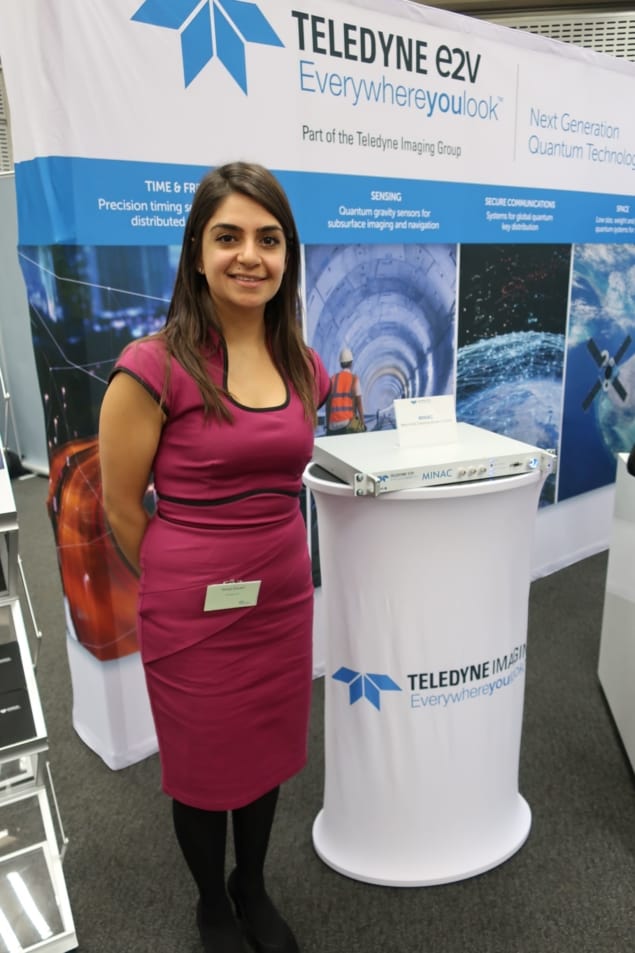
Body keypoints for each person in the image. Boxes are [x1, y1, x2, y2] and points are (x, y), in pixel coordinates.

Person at [99, 161, 330, 953]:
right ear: (196, 250)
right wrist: (182, 579)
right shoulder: (153, 366)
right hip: (191, 616)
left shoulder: (303, 362)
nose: (249, 256)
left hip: (281, 601)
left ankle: (252, 883)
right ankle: (210, 901)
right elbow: (123, 508)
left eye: (268, 239)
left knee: (264, 756)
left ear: (287, 256)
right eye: (227, 236)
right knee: (201, 770)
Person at [324, 346, 365, 434]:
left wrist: (328, 426)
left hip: (333, 425)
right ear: (351, 363)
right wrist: (363, 424)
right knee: (359, 432)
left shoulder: (332, 379)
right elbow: (359, 404)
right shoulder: (354, 379)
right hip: (347, 424)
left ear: (340, 364)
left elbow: (328, 406)